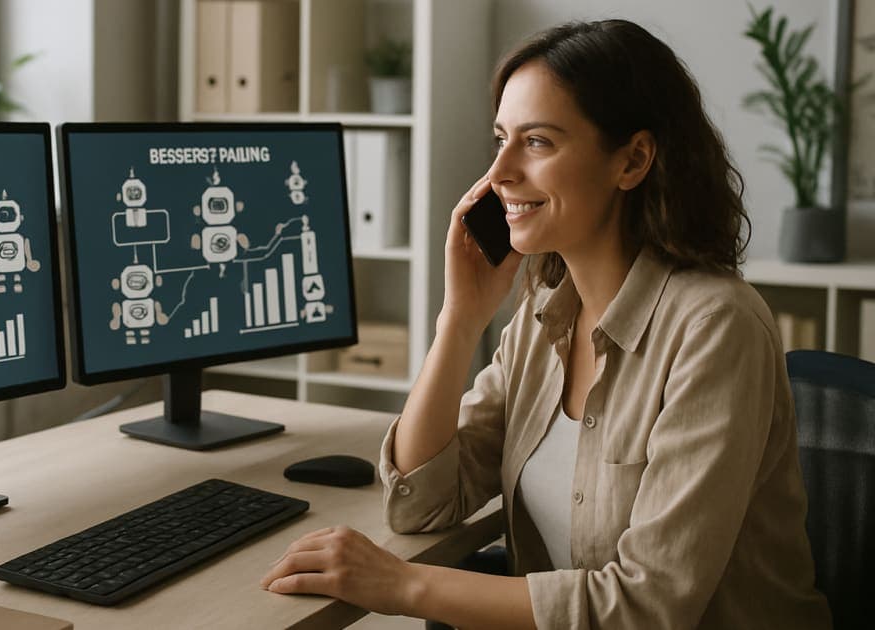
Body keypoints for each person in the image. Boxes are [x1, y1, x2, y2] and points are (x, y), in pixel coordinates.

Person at [261, 19, 831, 629]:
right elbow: (422, 503)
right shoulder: (542, 319)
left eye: (537, 142)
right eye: (501, 138)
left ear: (633, 160)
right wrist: (459, 319)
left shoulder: (715, 327)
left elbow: (648, 606)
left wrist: (403, 584)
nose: (500, 171)